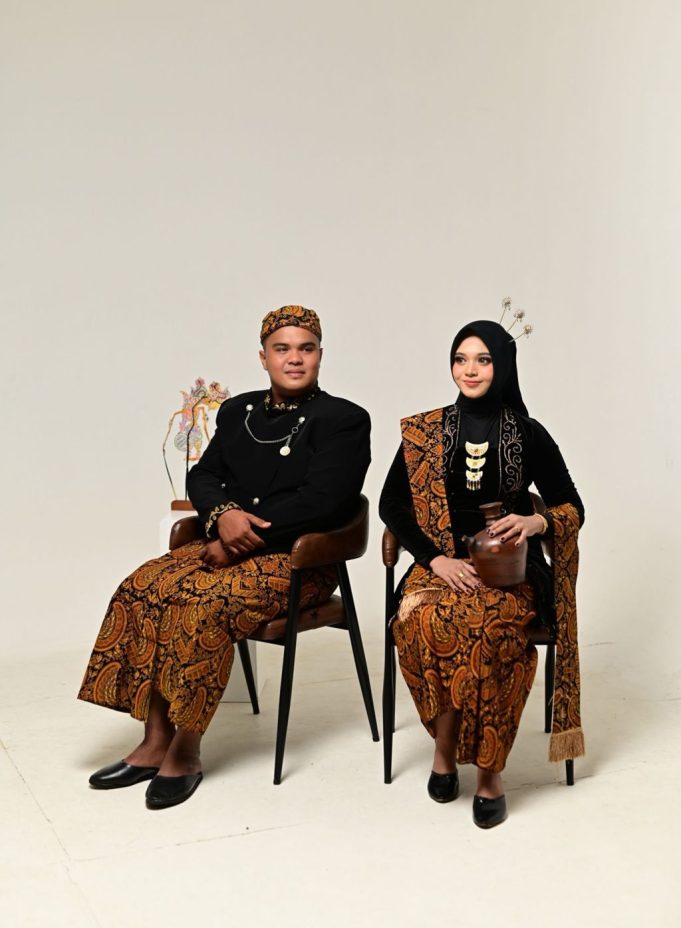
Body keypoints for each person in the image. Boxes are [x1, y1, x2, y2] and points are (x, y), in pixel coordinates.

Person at [79, 305, 371, 809]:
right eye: (282, 349)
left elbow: (325, 502)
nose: (294, 359)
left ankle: (186, 749)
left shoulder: (344, 420)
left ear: (321, 355)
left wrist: (237, 536)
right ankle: (154, 741)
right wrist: (222, 514)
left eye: (306, 349)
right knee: (141, 586)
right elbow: (204, 475)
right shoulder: (240, 412)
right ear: (263, 358)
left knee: (201, 605)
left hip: (299, 561)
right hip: (223, 544)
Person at [379, 318, 584, 828]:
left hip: (507, 570)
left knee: (490, 630)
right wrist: (436, 560)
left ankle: (491, 772)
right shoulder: (426, 432)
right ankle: (444, 749)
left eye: (483, 360)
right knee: (420, 621)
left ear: (503, 366)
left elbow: (571, 505)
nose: (469, 370)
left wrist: (536, 522)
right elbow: (391, 504)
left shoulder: (527, 433)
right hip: (440, 567)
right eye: (461, 359)